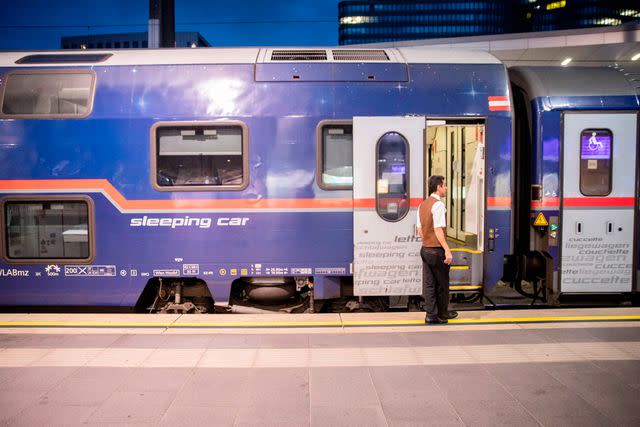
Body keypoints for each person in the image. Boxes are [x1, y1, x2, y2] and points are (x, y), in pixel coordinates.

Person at [417, 175, 458, 324]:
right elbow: (438, 229)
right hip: (436, 250)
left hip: (425, 250)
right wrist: (447, 250)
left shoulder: (422, 205)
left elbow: (420, 230)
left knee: (429, 283)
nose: (446, 188)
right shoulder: (439, 205)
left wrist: (427, 241)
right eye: (445, 186)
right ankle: (442, 314)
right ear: (438, 187)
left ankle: (430, 315)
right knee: (442, 284)